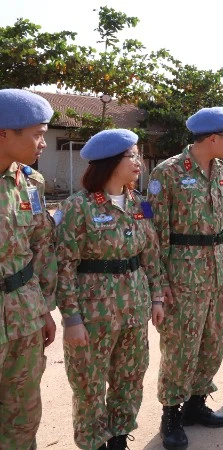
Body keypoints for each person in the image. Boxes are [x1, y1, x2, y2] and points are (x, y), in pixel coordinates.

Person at [55, 129, 166, 449]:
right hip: (93, 315)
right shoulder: (79, 207)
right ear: (109, 162)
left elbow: (151, 255)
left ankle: (118, 437)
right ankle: (93, 442)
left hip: (134, 308)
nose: (138, 161)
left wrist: (156, 297)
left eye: (137, 155)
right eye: (131, 155)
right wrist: (71, 319)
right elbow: (64, 267)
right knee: (89, 384)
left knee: (130, 378)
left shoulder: (139, 203)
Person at [148, 106, 223, 448]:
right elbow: (154, 233)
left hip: (216, 270)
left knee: (212, 342)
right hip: (182, 274)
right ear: (212, 138)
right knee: (180, 346)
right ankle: (171, 413)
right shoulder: (167, 172)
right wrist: (161, 283)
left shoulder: (221, 170)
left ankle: (197, 403)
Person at [0, 89, 57, 450]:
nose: (43, 143)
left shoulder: (30, 183)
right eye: (37, 134)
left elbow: (42, 247)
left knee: (23, 414)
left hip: (24, 313)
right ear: (5, 133)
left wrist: (44, 310)